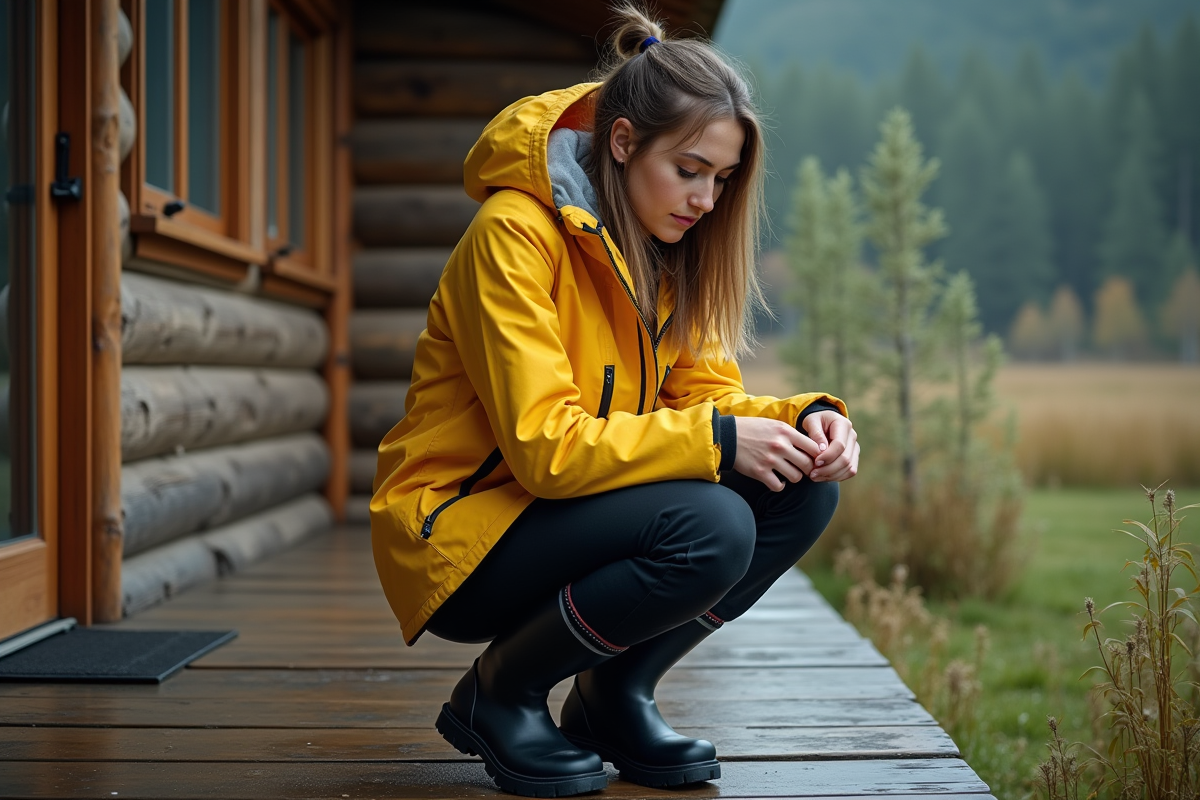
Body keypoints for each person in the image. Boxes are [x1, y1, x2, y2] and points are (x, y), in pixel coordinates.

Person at [369, 5, 859, 797]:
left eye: (722, 179)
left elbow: (708, 397)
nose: (706, 200)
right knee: (711, 525)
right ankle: (502, 690)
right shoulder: (513, 236)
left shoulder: (665, 251)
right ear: (623, 143)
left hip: (567, 507)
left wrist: (806, 421)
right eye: (690, 170)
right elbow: (545, 449)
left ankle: (613, 692)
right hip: (461, 527)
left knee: (799, 493)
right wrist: (720, 441)